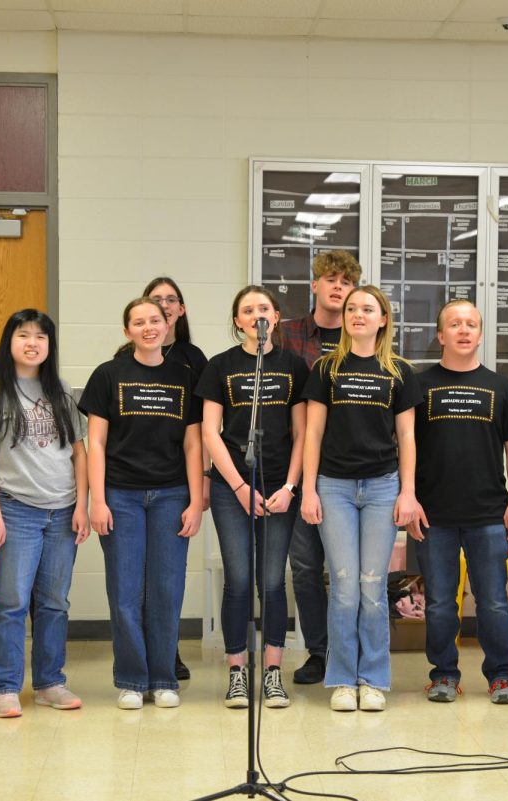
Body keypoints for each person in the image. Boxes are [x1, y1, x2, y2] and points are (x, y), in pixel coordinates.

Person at [301, 284, 422, 712]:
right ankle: (341, 679)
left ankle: (372, 679)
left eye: (367, 309)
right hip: (333, 487)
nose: (358, 315)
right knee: (344, 588)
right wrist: (309, 488)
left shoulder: (400, 371)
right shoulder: (325, 369)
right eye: (352, 308)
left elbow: (406, 436)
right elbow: (312, 432)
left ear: (383, 319)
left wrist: (408, 492)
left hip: (382, 487)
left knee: (372, 587)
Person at [79, 298, 204, 710]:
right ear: (127, 330)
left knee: (167, 590)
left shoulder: (185, 377)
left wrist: (195, 496)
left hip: (171, 495)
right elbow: (94, 442)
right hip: (121, 495)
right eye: (139, 322)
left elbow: (192, 442)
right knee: (126, 590)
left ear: (168, 325)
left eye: (156, 320)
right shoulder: (108, 375)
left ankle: (164, 677)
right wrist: (98, 499)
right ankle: (132, 678)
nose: (149, 327)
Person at [0, 309, 89, 718]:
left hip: (63, 511)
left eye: (41, 337)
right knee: (12, 602)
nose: (33, 343)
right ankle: (5, 686)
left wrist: (83, 505)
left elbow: (79, 451)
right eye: (24, 335)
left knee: (55, 602)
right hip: (16, 510)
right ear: (10, 341)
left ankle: (49, 682)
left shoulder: (62, 390)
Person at [407, 300, 508, 704]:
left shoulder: (502, 387)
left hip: (489, 514)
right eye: (454, 324)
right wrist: (408, 499)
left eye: (471, 324)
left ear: (479, 334)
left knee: (493, 601)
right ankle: (443, 674)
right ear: (440, 336)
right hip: (433, 516)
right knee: (440, 604)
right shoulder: (418, 386)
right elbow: (403, 446)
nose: (463, 330)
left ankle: (502, 676)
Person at [197, 286, 309, 710]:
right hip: (232, 488)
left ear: (276, 317)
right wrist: (241, 488)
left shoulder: (293, 366)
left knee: (273, 581)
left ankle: (274, 672)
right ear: (238, 321)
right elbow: (211, 431)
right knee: (240, 580)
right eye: (248, 310)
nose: (256, 315)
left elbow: (301, 433)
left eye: (264, 308)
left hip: (281, 487)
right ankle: (237, 673)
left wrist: (290, 488)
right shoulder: (219, 366)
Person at [274, 249, 361, 686]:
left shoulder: (361, 336)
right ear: (315, 285)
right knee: (306, 566)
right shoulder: (287, 334)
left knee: (350, 569)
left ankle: (352, 651)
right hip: (298, 469)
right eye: (330, 279)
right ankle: (319, 652)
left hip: (352, 470)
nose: (338, 287)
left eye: (346, 282)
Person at [124, 276, 209, 681]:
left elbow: (202, 432)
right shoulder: (122, 363)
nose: (163, 308)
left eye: (170, 301)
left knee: (166, 580)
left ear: (179, 309)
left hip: (174, 486)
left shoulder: (193, 360)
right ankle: (138, 662)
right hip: (129, 488)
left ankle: (166, 655)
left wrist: (200, 486)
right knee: (132, 581)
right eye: (155, 301)